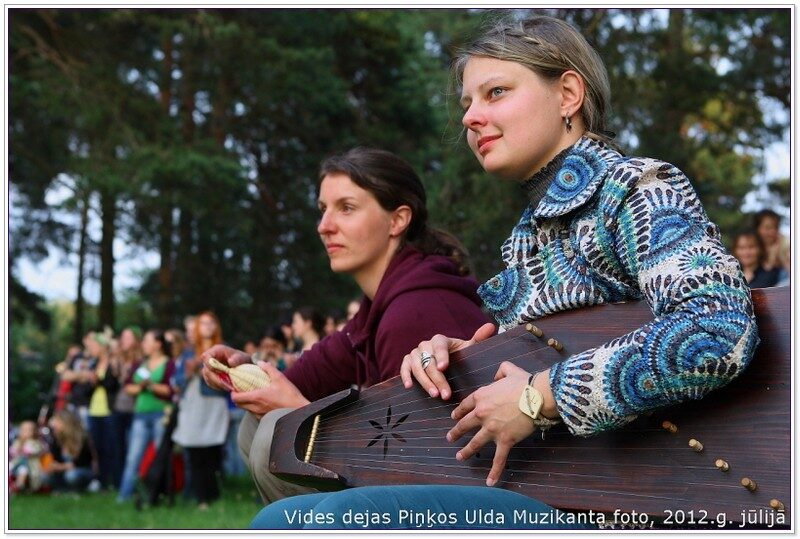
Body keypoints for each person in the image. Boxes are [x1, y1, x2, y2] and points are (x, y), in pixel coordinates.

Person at [252, 15, 758, 530]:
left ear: (567, 95)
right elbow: (532, 363)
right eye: (467, 103)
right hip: (551, 486)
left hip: (638, 507)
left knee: (331, 520)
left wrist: (541, 396)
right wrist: (459, 357)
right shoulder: (528, 237)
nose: (471, 117)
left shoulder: (634, 190)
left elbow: (718, 329)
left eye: (495, 93)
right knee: (280, 519)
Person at [202, 147, 490, 506]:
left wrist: (300, 412)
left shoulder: (416, 310)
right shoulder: (374, 310)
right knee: (258, 422)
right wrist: (246, 370)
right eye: (323, 209)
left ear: (398, 220)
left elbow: (425, 457)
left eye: (346, 208)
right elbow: (302, 378)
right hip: (409, 477)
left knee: (276, 430)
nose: (324, 226)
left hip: (458, 500)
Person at [171, 311, 229, 508]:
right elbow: (177, 381)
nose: (208, 326)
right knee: (194, 448)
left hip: (213, 403)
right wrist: (188, 372)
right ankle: (201, 497)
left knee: (212, 449)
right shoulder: (188, 351)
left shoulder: (223, 349)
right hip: (193, 403)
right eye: (203, 323)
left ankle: (212, 493)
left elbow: (230, 379)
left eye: (211, 322)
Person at [117, 329, 175, 502]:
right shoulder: (140, 364)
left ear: (158, 344)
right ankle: (124, 496)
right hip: (140, 415)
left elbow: (170, 391)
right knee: (133, 457)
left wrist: (150, 385)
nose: (143, 344)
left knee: (160, 457)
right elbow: (128, 387)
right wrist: (140, 387)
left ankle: (159, 493)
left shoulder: (169, 364)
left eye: (147, 341)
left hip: (161, 415)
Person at [85, 329, 121, 489]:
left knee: (110, 447)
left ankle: (114, 480)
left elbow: (113, 386)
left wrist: (97, 380)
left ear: (103, 346)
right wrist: (91, 382)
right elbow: (87, 390)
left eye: (94, 346)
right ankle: (101, 480)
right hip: (94, 410)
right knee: (97, 448)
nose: (91, 349)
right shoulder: (93, 364)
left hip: (109, 410)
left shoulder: (113, 363)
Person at [109, 327, 142, 488]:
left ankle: (134, 482)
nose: (124, 341)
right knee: (118, 447)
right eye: (123, 337)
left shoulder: (142, 360)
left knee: (133, 448)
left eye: (128, 337)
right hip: (118, 407)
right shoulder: (118, 358)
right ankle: (119, 482)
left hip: (135, 408)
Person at [43, 410, 99, 493]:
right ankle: (62, 488)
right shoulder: (56, 439)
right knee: (44, 476)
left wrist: (61, 467)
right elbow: (55, 459)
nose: (54, 425)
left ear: (66, 423)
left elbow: (83, 462)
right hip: (63, 471)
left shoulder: (82, 438)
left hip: (82, 470)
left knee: (71, 476)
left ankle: (82, 486)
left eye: (57, 422)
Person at [9, 420, 46, 492]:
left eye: (28, 430)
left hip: (30, 465)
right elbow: (12, 451)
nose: (25, 432)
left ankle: (19, 486)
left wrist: (27, 451)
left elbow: (37, 450)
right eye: (23, 430)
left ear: (34, 432)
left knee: (23, 470)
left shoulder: (35, 442)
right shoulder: (17, 442)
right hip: (16, 463)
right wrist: (17, 450)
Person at [752, 209, 790, 280]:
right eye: (767, 228)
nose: (772, 232)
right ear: (757, 229)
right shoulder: (751, 248)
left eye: (776, 227)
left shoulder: (786, 244)